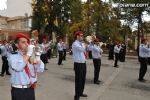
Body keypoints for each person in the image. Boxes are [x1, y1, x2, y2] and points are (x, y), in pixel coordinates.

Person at [8, 33, 44, 100]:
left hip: (30, 89)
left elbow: (40, 69)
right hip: (19, 90)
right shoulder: (13, 56)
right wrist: (28, 54)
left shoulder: (30, 56)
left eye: (27, 42)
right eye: (23, 42)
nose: (27, 44)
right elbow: (18, 67)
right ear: (17, 45)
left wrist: (38, 57)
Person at [72, 31, 87, 100]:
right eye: (81, 36)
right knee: (78, 80)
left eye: (82, 36)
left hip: (83, 63)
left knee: (83, 79)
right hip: (78, 64)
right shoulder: (75, 43)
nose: (82, 37)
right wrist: (85, 45)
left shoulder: (81, 43)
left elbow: (86, 50)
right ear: (77, 36)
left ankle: (81, 92)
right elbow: (82, 49)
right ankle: (76, 96)